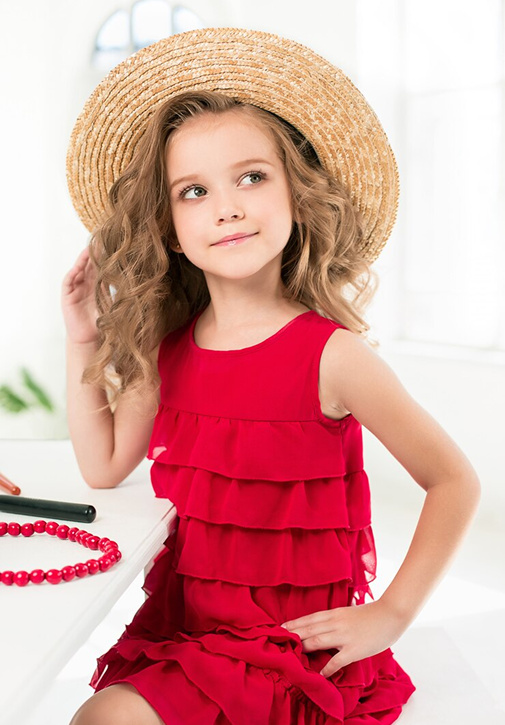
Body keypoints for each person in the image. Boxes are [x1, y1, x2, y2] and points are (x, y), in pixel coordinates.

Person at [62, 28, 481, 725]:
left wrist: (391, 613)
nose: (226, 206)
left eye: (251, 177)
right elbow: (102, 466)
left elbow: (454, 480)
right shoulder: (169, 349)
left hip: (288, 651)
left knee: (102, 718)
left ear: (296, 195)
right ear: (169, 228)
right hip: (186, 635)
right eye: (194, 191)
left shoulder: (332, 356)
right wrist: (82, 337)